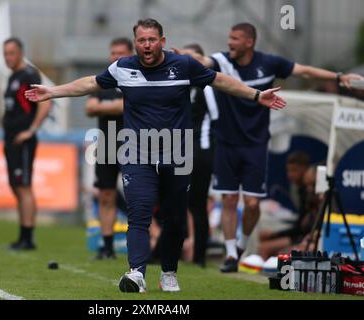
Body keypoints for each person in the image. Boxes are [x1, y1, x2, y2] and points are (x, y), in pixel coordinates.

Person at [25, 18, 286, 293]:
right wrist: (52, 91)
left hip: (177, 152)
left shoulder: (183, 65)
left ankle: (169, 272)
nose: (146, 45)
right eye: (141, 40)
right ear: (135, 43)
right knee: (139, 212)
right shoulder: (123, 67)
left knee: (174, 218)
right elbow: (90, 83)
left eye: (152, 40)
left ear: (161, 41)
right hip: (137, 152)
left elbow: (220, 80)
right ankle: (136, 273)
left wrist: (256, 96)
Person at [174, 22, 364, 272]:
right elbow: (202, 59)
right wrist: (179, 57)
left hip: (255, 144)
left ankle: (241, 245)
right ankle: (231, 255)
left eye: (235, 38)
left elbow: (304, 71)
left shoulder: (269, 63)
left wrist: (338, 77)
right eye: (229, 37)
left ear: (249, 42)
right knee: (229, 199)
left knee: (252, 204)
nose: (229, 42)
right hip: (227, 144)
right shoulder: (221, 60)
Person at [85, 38, 134, 259]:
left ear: (131, 54)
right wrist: (116, 106)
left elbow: (128, 106)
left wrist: (104, 107)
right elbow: (89, 108)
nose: (115, 57)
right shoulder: (103, 80)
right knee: (106, 195)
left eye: (120, 53)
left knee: (137, 196)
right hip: (106, 144)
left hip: (133, 144)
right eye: (112, 52)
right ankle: (106, 247)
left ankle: (147, 242)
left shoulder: (136, 78)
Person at [2, 37, 51, 250]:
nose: (7, 58)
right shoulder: (14, 76)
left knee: (24, 186)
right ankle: (22, 235)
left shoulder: (29, 75)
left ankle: (28, 238)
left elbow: (45, 103)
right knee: (16, 185)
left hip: (23, 141)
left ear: (21, 53)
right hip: (11, 139)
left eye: (11, 53)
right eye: (5, 54)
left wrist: (30, 131)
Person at [184, 43, 217, 268]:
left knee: (197, 204)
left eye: (191, 58)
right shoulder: (183, 84)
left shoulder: (207, 85)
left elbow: (217, 116)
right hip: (181, 148)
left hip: (201, 150)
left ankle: (200, 257)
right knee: (181, 202)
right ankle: (168, 250)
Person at [259, 165, 319, 259]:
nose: (309, 189)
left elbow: (314, 232)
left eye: (313, 185)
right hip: (300, 238)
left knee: (277, 252)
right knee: (264, 247)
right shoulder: (307, 199)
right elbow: (299, 227)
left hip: (306, 240)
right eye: (307, 186)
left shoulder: (324, 203)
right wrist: (275, 234)